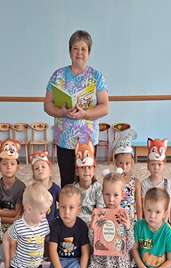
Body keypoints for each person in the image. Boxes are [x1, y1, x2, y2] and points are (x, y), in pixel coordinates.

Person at [43, 29, 109, 186]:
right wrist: (61, 112)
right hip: (64, 139)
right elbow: (47, 105)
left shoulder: (96, 76)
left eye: (83, 49)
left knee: (86, 180)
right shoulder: (58, 75)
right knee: (67, 181)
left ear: (89, 52)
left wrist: (85, 114)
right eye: (75, 48)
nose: (79, 53)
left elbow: (105, 107)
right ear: (69, 51)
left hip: (87, 139)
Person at [0, 140, 26, 234]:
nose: (8, 167)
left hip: (17, 225)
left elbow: (17, 213)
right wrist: (12, 219)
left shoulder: (21, 187)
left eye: (12, 164)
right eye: (4, 163)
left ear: (17, 167)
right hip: (0, 225)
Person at [72, 139, 104, 224]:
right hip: (77, 223)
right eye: (82, 168)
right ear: (77, 171)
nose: (86, 171)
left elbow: (100, 209)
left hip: (93, 223)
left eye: (89, 167)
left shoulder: (98, 188)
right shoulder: (73, 189)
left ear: (94, 170)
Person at [113, 130, 142, 221]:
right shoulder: (112, 180)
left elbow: (138, 205)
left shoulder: (136, 182)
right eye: (120, 163)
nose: (124, 167)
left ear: (132, 163)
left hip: (131, 221)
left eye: (127, 163)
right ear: (115, 163)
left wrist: (140, 223)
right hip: (115, 220)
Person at [140, 138, 171, 214]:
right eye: (152, 164)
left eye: (159, 164)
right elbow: (144, 205)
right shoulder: (144, 184)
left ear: (164, 165)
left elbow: (168, 207)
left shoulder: (167, 183)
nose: (156, 167)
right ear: (148, 166)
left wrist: (164, 220)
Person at [30, 151, 60, 223]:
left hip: (52, 223)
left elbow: (63, 202)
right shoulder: (32, 190)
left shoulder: (55, 188)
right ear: (33, 174)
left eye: (43, 167)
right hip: (37, 223)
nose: (40, 169)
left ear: (50, 171)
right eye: (36, 168)